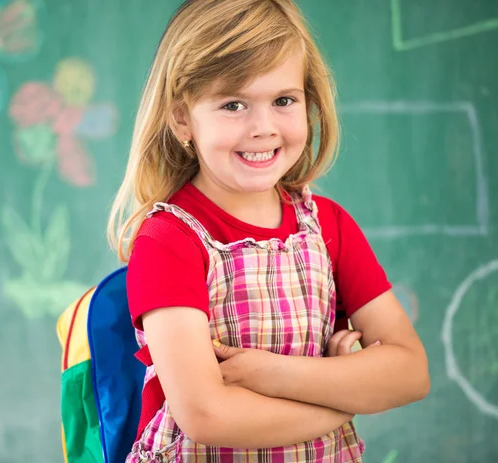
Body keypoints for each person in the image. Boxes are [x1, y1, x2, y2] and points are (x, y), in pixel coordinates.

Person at [107, 0, 430, 461]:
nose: (263, 128)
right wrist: (343, 399)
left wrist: (274, 374)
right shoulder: (168, 242)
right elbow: (207, 416)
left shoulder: (329, 227)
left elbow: (410, 371)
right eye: (233, 104)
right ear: (182, 118)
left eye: (283, 100)